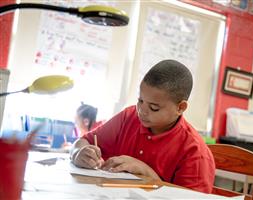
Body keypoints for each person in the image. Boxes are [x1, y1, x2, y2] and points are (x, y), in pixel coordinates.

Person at [70, 59, 215, 193]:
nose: (141, 111)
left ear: (180, 108)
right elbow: (82, 142)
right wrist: (78, 153)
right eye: (140, 101)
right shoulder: (128, 117)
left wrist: (146, 171)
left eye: (154, 107)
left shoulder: (195, 153)